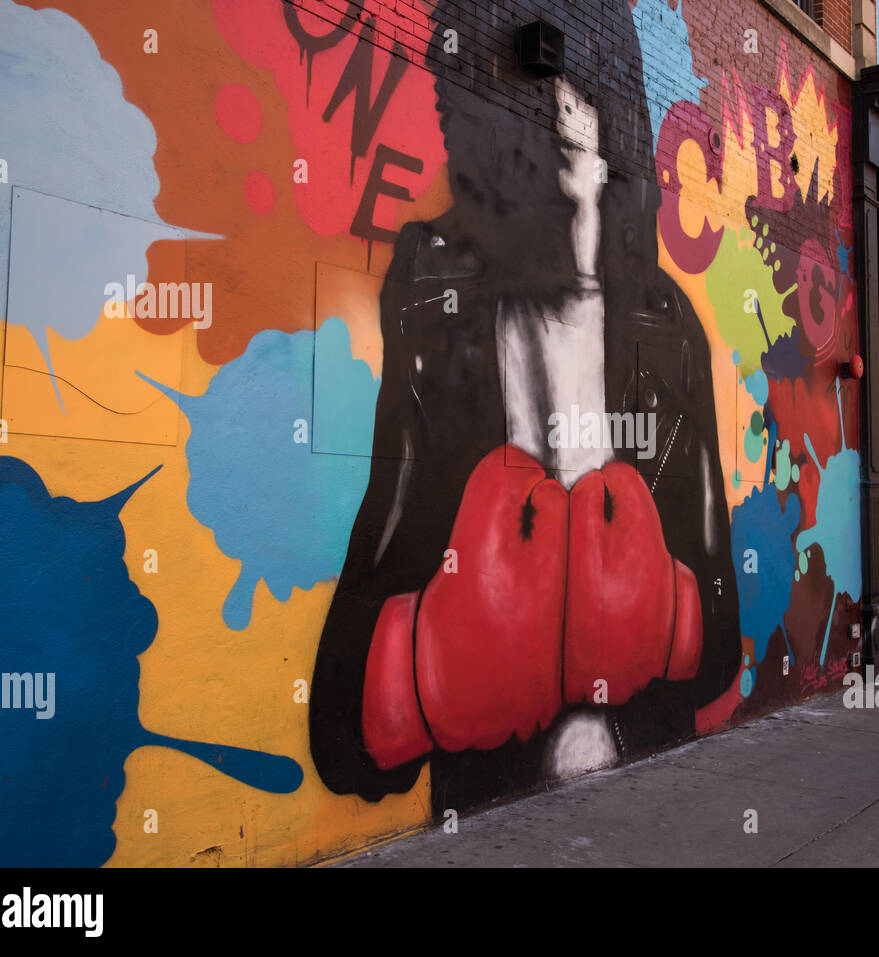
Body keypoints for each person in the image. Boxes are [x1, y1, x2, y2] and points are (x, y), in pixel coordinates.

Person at [307, 0, 741, 812]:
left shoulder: (667, 324)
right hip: (479, 816)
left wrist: (668, 610)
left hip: (654, 801)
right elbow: (343, 731)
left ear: (612, 125)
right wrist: (423, 660)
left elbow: (720, 644)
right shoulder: (434, 305)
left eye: (578, 101)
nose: (559, 120)